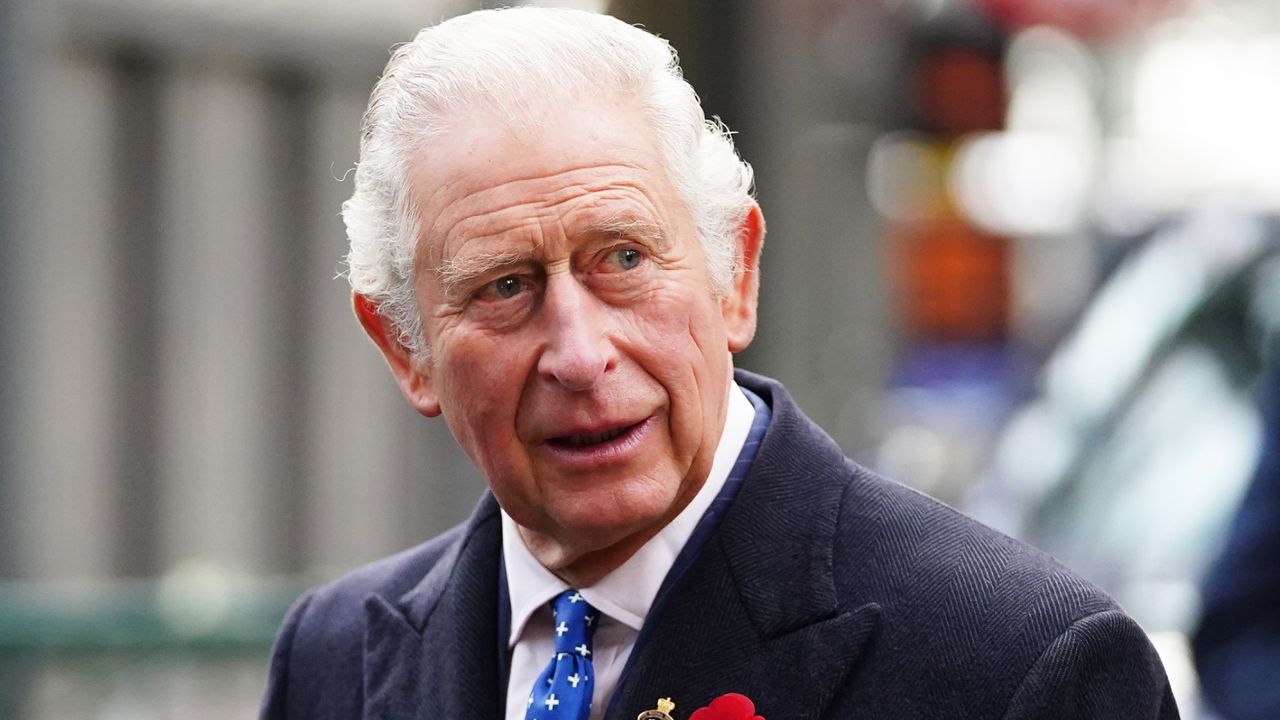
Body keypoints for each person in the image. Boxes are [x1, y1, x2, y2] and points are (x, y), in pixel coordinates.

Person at [261, 7, 1178, 719]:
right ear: (404, 348)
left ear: (734, 276)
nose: (580, 356)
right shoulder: (334, 661)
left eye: (621, 259)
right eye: (504, 287)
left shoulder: (1017, 665)